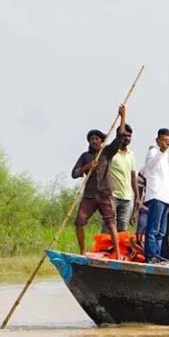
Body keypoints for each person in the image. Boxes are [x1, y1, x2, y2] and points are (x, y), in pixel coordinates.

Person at [71, 104, 129, 256]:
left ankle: (117, 254)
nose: (94, 141)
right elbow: (75, 173)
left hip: (105, 194)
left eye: (97, 138)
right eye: (91, 139)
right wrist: (87, 167)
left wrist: (122, 117)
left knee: (111, 224)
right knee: (79, 222)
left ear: (101, 140)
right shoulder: (85, 156)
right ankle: (82, 251)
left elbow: (120, 137)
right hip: (89, 196)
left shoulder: (106, 153)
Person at [141, 128, 169, 263]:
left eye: (168, 142)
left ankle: (158, 256)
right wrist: (161, 150)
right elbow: (149, 168)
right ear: (158, 140)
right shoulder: (153, 152)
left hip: (166, 198)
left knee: (161, 232)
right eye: (164, 141)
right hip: (156, 196)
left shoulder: (166, 156)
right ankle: (151, 256)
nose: (166, 144)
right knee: (153, 230)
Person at [109, 122, 139, 231]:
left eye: (129, 136)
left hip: (127, 198)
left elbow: (133, 176)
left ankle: (118, 249)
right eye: (124, 135)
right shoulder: (111, 152)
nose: (127, 138)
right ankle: (102, 248)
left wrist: (137, 197)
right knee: (109, 226)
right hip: (112, 196)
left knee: (122, 228)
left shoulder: (131, 155)